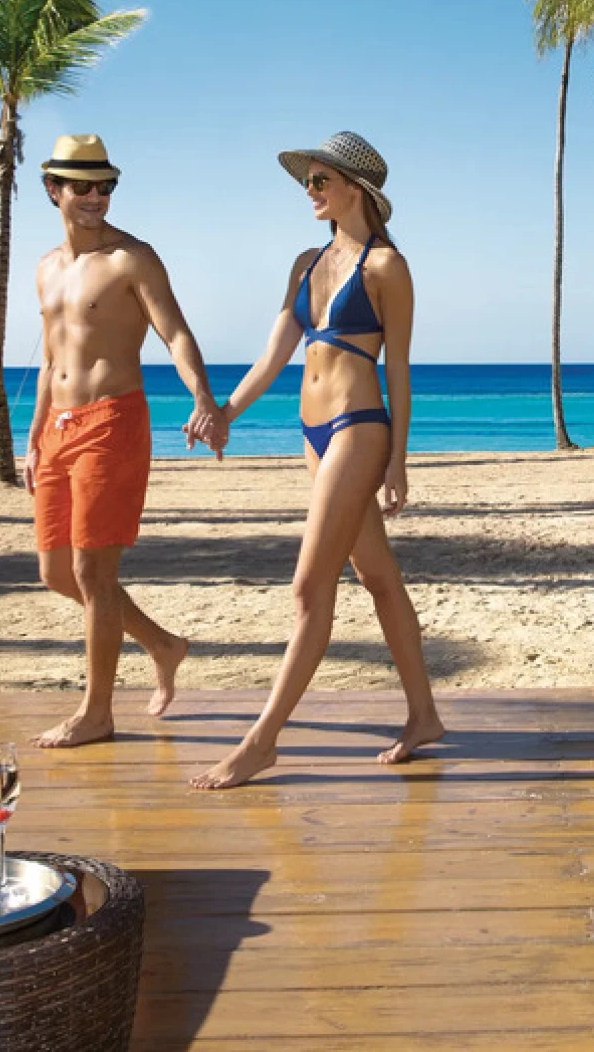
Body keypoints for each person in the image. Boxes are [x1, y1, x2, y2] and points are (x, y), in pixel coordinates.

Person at [191, 132, 442, 789]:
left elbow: (402, 369)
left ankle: (261, 740)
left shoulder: (388, 268)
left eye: (319, 180)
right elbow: (274, 354)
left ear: (353, 190)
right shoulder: (305, 262)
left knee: (309, 588)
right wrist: (224, 412)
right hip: (310, 431)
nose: (309, 190)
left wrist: (399, 461)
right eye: (307, 181)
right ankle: (423, 715)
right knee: (378, 576)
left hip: (360, 427)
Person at [27, 133, 225, 749]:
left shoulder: (132, 259)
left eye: (105, 186)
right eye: (81, 186)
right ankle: (163, 644)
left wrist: (202, 396)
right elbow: (51, 357)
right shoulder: (45, 268)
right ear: (53, 189)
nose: (94, 197)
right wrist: (34, 436)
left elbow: (177, 335)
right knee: (57, 572)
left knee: (91, 569)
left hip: (112, 421)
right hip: (57, 429)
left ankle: (97, 712)